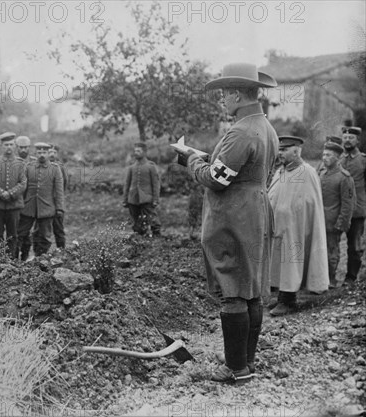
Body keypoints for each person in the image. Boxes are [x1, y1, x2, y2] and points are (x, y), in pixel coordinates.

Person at [174, 63, 278, 383]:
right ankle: (246, 361)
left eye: (223, 95)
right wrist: (204, 156)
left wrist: (190, 159)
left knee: (232, 289)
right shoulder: (264, 128)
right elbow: (237, 167)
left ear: (235, 94)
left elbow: (217, 179)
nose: (222, 100)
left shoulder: (240, 131)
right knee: (250, 290)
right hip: (255, 212)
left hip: (233, 217)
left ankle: (235, 369)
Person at [268, 136, 329, 316]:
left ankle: (288, 300)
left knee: (291, 262)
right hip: (279, 227)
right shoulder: (282, 171)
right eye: (279, 149)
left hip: (295, 227)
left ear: (296, 151)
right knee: (279, 262)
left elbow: (308, 203)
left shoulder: (307, 172)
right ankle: (281, 296)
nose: (280, 153)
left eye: (284, 150)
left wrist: (291, 215)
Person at [18, 142, 65, 259]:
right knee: (21, 233)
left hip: (47, 208)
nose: (42, 155)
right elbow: (23, 187)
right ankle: (22, 257)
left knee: (44, 236)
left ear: (48, 154)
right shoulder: (29, 167)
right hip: (28, 207)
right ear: (35, 153)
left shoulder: (55, 169)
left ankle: (40, 259)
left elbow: (59, 191)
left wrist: (59, 208)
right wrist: (20, 203)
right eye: (39, 152)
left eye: (44, 152)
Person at [319, 140, 355, 288]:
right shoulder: (321, 173)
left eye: (328, 155)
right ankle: (320, 279)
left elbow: (348, 205)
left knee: (332, 253)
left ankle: (331, 280)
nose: (324, 157)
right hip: (319, 221)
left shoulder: (344, 177)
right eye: (323, 154)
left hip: (332, 223)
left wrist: (341, 224)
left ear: (337, 158)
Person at [0, 132, 27, 258]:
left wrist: (10, 193)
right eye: (6, 145)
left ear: (15, 146)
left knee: (13, 235)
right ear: (1, 146)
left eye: (11, 144)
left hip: (14, 205)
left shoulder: (20, 164)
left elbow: (23, 183)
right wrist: (0, 192)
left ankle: (12, 260)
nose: (9, 147)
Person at [340, 126, 365, 285]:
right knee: (331, 244)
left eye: (351, 137)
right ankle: (329, 278)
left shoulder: (363, 160)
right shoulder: (338, 158)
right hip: (338, 209)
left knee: (354, 246)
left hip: (357, 210)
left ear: (358, 140)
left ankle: (351, 277)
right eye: (345, 137)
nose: (347, 140)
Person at [122, 142, 161, 237]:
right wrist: (125, 199)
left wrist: (155, 199)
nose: (136, 153)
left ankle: (157, 236)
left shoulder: (151, 167)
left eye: (138, 151)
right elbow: (127, 184)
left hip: (147, 198)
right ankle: (139, 236)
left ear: (144, 152)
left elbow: (156, 184)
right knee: (135, 219)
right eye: (135, 151)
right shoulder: (131, 167)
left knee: (152, 218)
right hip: (133, 198)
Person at [48, 144, 68, 248]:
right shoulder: (41, 166)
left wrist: (59, 200)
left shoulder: (60, 167)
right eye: (49, 152)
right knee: (41, 229)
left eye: (54, 152)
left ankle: (62, 252)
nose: (51, 154)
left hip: (56, 203)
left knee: (58, 229)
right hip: (44, 203)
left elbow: (64, 184)